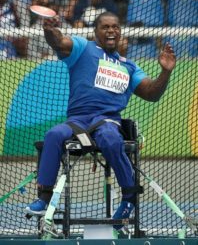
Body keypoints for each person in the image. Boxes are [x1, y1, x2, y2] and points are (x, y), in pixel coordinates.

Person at [25, 12, 176, 230]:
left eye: (115, 27)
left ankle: (129, 197)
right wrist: (49, 30)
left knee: (110, 139)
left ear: (120, 31)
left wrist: (165, 72)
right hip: (78, 120)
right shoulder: (82, 48)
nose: (111, 31)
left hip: (107, 121)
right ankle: (45, 197)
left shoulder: (129, 67)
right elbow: (58, 42)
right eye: (105, 27)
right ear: (96, 32)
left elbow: (152, 94)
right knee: (54, 134)